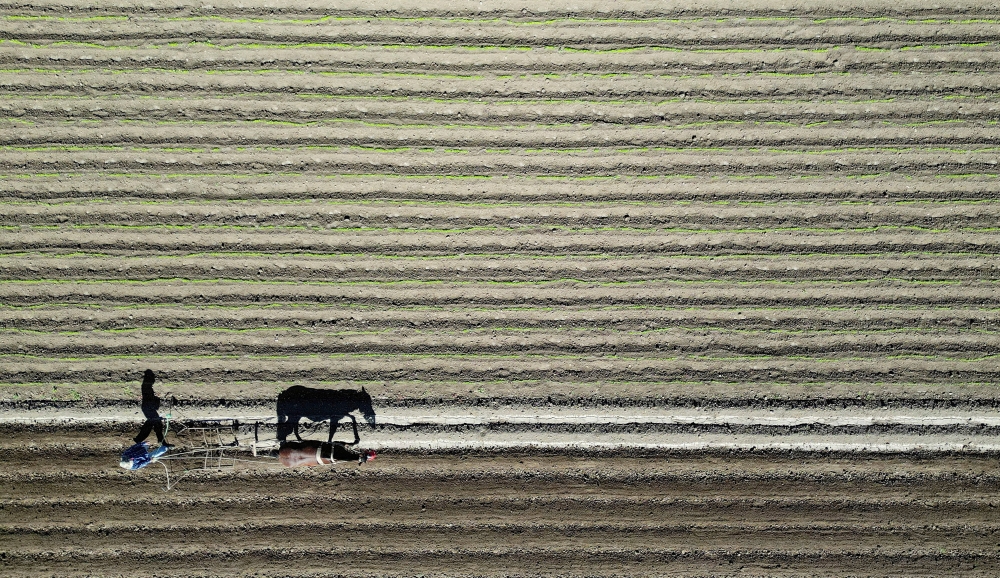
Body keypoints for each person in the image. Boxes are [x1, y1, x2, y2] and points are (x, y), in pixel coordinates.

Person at [120, 369, 173, 470]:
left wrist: (143, 444)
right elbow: (143, 463)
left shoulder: (126, 454)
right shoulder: (134, 466)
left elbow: (133, 448)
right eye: (131, 460)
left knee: (154, 423)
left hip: (141, 448)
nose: (131, 459)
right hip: (146, 456)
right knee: (156, 426)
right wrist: (150, 460)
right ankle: (164, 445)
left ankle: (142, 439)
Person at [278, 439, 376, 468]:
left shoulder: (348, 455)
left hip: (321, 451)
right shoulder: (349, 457)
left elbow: (346, 455)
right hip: (317, 460)